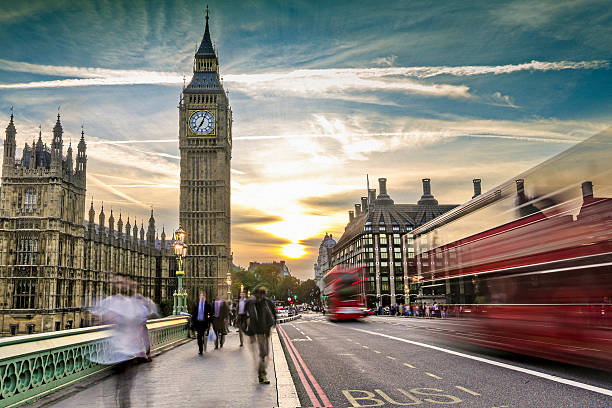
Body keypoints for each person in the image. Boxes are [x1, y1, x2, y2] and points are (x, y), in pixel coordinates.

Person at [245, 286, 277, 384]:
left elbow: (272, 315)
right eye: (259, 295)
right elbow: (245, 316)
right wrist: (248, 331)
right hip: (256, 333)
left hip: (264, 331)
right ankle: (262, 374)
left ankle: (261, 373)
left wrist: (271, 325)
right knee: (261, 353)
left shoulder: (266, 302)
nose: (260, 297)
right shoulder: (251, 303)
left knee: (265, 353)